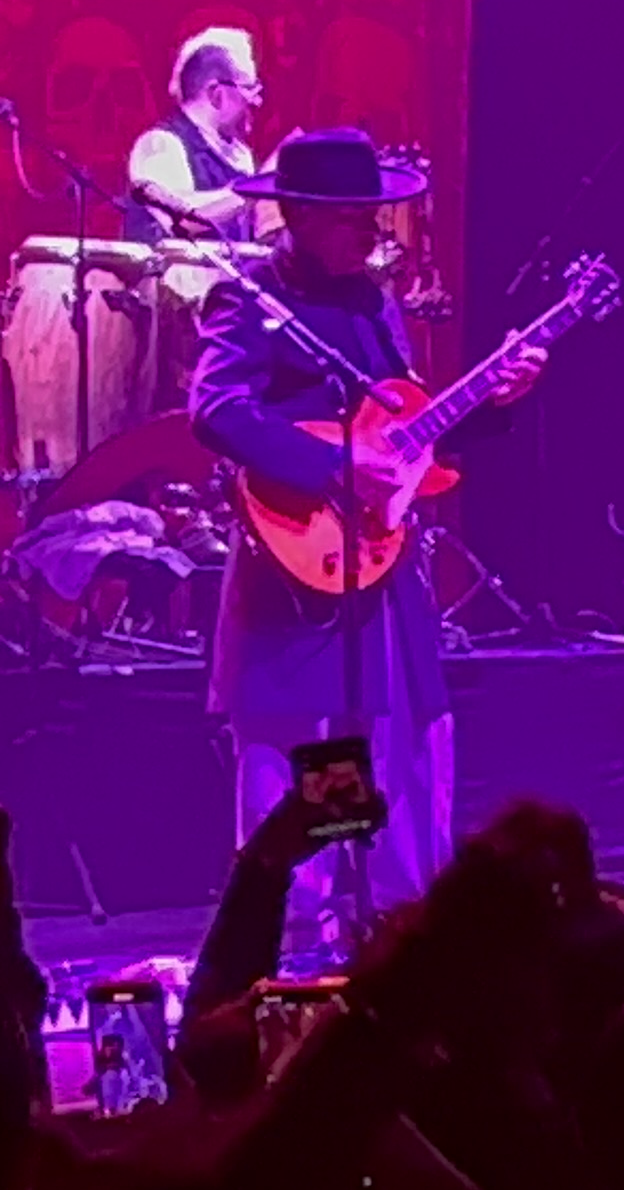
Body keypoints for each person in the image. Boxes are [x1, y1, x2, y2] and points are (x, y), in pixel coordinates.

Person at [189, 127, 542, 951]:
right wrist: (330, 467)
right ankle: (291, 934)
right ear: (301, 215)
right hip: (294, 558)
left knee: (408, 741)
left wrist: (496, 402)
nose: (373, 231)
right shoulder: (248, 299)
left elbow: (405, 435)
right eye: (355, 216)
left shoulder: (370, 303)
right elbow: (216, 408)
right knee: (295, 747)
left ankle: (403, 930)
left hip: (379, 559)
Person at [127, 25, 270, 244]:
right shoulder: (161, 144)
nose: (257, 101)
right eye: (249, 88)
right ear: (216, 93)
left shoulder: (242, 155)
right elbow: (183, 220)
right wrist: (254, 190)